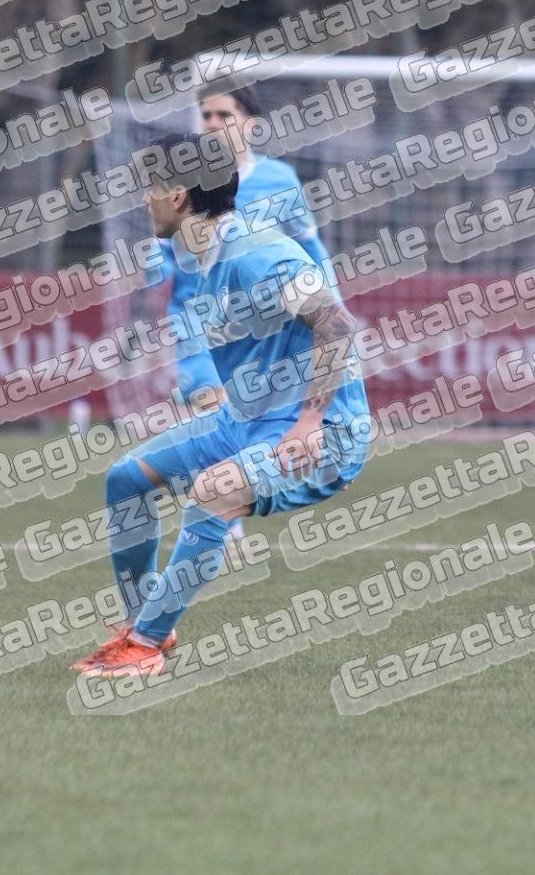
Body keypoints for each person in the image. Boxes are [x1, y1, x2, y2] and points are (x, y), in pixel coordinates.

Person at [75, 133, 371, 677]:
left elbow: (336, 323)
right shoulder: (203, 253)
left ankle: (143, 647)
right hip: (246, 420)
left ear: (179, 197)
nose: (145, 199)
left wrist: (312, 422)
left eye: (151, 188)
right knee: (126, 479)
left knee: (213, 493)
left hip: (322, 430)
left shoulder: (256, 252)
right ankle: (145, 625)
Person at [146, 82, 336, 543]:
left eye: (224, 115)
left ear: (250, 124)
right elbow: (165, 253)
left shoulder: (279, 180)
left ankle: (224, 510)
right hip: (197, 323)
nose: (212, 123)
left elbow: (310, 247)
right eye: (206, 115)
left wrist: (331, 303)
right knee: (212, 408)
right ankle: (223, 521)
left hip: (258, 332)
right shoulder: (183, 182)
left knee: (248, 417)